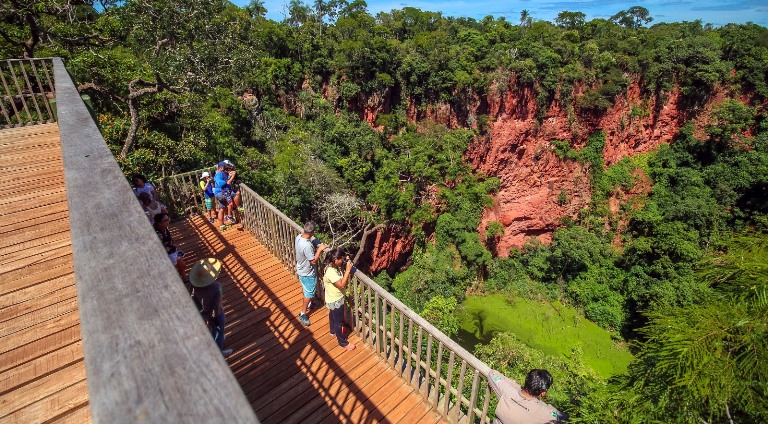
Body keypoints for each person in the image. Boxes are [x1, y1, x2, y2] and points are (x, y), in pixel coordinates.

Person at [188, 258, 233, 357]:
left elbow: (193, 299)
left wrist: (203, 315)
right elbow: (216, 306)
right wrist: (210, 317)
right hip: (216, 314)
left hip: (203, 313)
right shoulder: (217, 286)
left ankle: (215, 342)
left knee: (212, 329)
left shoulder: (193, 285)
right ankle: (219, 351)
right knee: (219, 332)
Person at [488, 369, 568, 424]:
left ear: (526, 381)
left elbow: (492, 374)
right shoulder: (544, 412)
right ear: (542, 393)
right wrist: (549, 407)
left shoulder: (507, 391)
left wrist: (515, 386)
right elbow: (564, 417)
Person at [321, 248, 356, 351]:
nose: (343, 261)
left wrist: (346, 262)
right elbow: (341, 284)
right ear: (336, 259)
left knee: (333, 315)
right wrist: (348, 270)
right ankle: (342, 342)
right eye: (342, 259)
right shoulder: (331, 271)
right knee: (339, 322)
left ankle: (333, 331)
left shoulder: (330, 265)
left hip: (332, 297)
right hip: (335, 299)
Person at [294, 221, 327, 326]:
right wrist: (320, 249)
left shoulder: (299, 237)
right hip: (307, 272)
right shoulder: (307, 246)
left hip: (301, 268)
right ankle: (303, 313)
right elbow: (313, 261)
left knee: (307, 289)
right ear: (313, 232)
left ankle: (309, 304)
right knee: (309, 293)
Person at [153, 213, 187, 280]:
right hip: (168, 254)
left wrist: (175, 246)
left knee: (182, 266)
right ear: (159, 223)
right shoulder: (158, 234)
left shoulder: (165, 228)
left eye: (168, 219)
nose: (168, 221)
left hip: (173, 250)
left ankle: (185, 280)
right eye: (165, 220)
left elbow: (169, 238)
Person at [214, 161, 238, 229]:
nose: (225, 169)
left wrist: (229, 175)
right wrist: (231, 177)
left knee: (222, 208)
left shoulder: (221, 173)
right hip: (222, 193)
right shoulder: (218, 175)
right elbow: (221, 184)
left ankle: (222, 226)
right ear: (221, 168)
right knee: (230, 202)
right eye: (225, 168)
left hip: (222, 193)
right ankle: (229, 215)